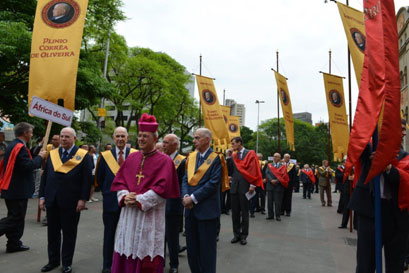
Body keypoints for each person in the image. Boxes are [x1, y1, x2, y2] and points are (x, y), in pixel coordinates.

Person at [110, 113, 179, 273]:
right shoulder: (132, 157)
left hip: (149, 216)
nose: (140, 139)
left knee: (145, 251)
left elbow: (163, 188)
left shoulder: (165, 161)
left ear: (155, 139)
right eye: (139, 135)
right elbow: (120, 181)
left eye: (145, 136)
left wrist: (139, 200)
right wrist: (124, 196)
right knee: (126, 248)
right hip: (128, 215)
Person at [349, 119, 409, 273]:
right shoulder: (369, 147)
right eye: (401, 128)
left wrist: (388, 167)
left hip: (395, 215)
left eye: (404, 129)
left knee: (395, 264)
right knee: (365, 264)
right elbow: (357, 141)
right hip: (370, 212)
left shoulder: (405, 156)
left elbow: (405, 180)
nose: (404, 133)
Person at [39, 127, 93, 273]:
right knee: (52, 233)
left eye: (67, 137)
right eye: (62, 136)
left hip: (72, 202)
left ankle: (67, 263)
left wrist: (83, 199)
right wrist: (42, 196)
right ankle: (53, 261)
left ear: (74, 139)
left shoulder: (83, 156)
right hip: (52, 200)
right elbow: (45, 177)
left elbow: (87, 180)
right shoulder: (53, 154)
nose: (63, 139)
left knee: (69, 234)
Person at [95, 127, 137, 273]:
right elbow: (99, 178)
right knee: (109, 234)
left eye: (122, 136)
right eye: (117, 136)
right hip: (110, 201)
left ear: (127, 138)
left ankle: (126, 264)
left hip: (129, 202)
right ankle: (107, 264)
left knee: (129, 234)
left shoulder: (135, 155)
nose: (120, 139)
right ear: (113, 138)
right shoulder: (105, 156)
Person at [0, 122, 46, 253]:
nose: (32, 134)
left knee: (16, 218)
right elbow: (28, 165)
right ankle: (13, 242)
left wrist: (39, 147)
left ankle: (13, 243)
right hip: (17, 189)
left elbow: (27, 156)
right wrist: (40, 158)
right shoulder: (19, 147)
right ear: (25, 133)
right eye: (31, 132)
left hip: (13, 188)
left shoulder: (15, 145)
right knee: (15, 218)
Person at [182, 128, 221, 273]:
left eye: (197, 138)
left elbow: (213, 183)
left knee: (207, 251)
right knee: (192, 250)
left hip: (207, 212)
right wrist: (185, 196)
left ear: (207, 140)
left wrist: (193, 198)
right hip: (190, 210)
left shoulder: (217, 158)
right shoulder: (191, 157)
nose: (194, 141)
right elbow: (185, 179)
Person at [228, 136, 263, 245]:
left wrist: (252, 185)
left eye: (233, 143)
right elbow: (230, 171)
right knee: (234, 213)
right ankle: (236, 234)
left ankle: (244, 236)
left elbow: (254, 170)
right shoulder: (233, 155)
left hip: (246, 186)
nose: (232, 145)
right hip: (234, 187)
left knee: (244, 212)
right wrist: (228, 157)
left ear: (239, 143)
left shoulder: (250, 153)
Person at [162, 133, 187, 273]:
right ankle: (160, 262)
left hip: (173, 205)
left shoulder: (182, 161)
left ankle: (174, 264)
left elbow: (184, 183)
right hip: (159, 203)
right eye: (163, 142)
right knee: (159, 236)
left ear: (175, 145)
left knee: (172, 237)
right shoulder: (161, 159)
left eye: (167, 142)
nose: (164, 144)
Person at [265, 153, 289, 221]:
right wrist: (271, 180)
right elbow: (267, 173)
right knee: (269, 201)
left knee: (278, 202)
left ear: (279, 158)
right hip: (270, 185)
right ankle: (270, 215)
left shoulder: (283, 166)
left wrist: (277, 181)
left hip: (279, 186)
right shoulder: (269, 165)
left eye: (276, 157)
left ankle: (278, 215)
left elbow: (284, 176)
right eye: (274, 156)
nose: (274, 158)